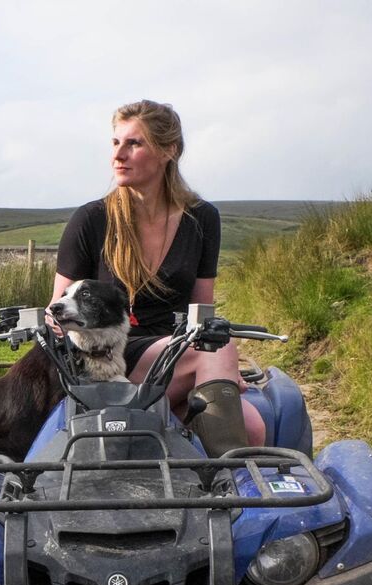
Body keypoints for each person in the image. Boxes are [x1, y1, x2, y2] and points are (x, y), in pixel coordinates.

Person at [52, 99, 265, 453]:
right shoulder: (91, 220)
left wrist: (222, 372)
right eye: (116, 142)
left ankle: (224, 497)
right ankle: (229, 488)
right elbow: (58, 313)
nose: (118, 155)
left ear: (169, 150)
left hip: (175, 358)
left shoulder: (202, 219)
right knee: (217, 348)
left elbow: (202, 311)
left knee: (254, 428)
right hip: (109, 359)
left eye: (134, 143)